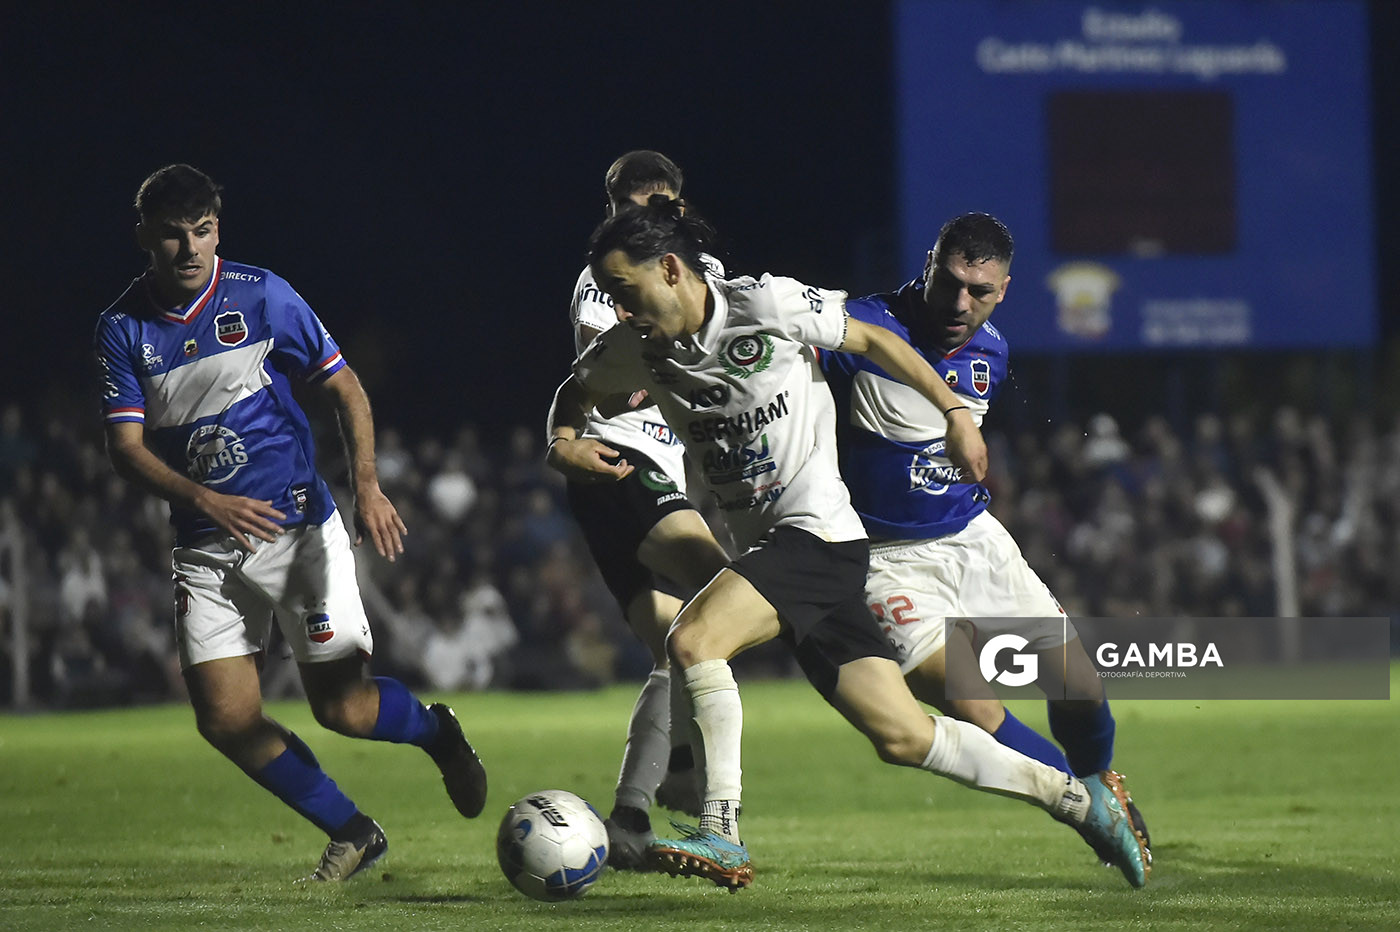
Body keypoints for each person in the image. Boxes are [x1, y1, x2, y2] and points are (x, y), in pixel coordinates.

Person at [546, 198, 1150, 891]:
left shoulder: (765, 304)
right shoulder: (635, 347)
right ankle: (1079, 802)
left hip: (820, 537)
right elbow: (576, 389)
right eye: (610, 295)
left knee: (691, 640)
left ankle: (722, 828)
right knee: (904, 736)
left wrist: (955, 413)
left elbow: (874, 342)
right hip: (823, 561)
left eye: (625, 290)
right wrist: (562, 444)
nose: (619, 309)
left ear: (672, 270)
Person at [94, 164, 487, 883]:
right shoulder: (122, 327)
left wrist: (366, 483)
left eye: (202, 231)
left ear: (219, 229)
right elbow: (126, 448)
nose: (190, 248)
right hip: (206, 547)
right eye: (174, 235)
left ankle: (439, 733)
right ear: (144, 236)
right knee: (225, 719)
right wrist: (205, 501)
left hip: (298, 528)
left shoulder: (261, 295)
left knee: (344, 710)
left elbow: (344, 385)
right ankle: (353, 831)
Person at [821, 212, 1151, 865]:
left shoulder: (992, 351)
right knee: (976, 708)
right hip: (885, 560)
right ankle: (1091, 811)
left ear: (1004, 290)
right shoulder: (858, 326)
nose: (960, 303)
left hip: (973, 542)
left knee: (1081, 687)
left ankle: (1099, 781)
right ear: (927, 268)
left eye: (980, 291)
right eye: (950, 283)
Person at [563, 151, 732, 867]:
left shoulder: (704, 270)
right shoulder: (603, 280)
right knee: (729, 594)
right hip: (621, 460)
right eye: (633, 208)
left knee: (677, 645)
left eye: (659, 207)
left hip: (662, 469)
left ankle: (632, 815)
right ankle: (700, 784)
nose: (645, 221)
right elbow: (611, 381)